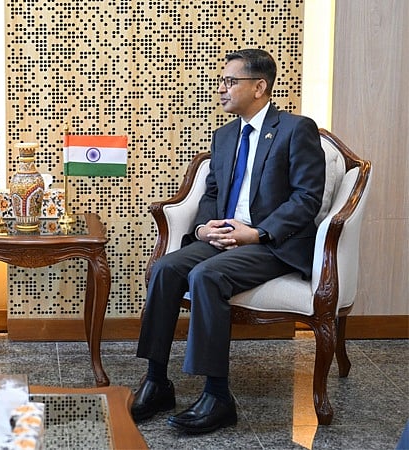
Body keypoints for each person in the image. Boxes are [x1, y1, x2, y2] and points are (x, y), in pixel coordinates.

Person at [131, 49, 325, 434]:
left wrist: (257, 232)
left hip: (272, 242)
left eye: (230, 81)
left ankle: (217, 396)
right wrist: (204, 228)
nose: (222, 88)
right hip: (224, 235)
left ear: (259, 87)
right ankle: (156, 381)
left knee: (207, 275)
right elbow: (212, 193)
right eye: (222, 81)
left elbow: (307, 198)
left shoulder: (296, 129)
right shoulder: (224, 136)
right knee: (166, 268)